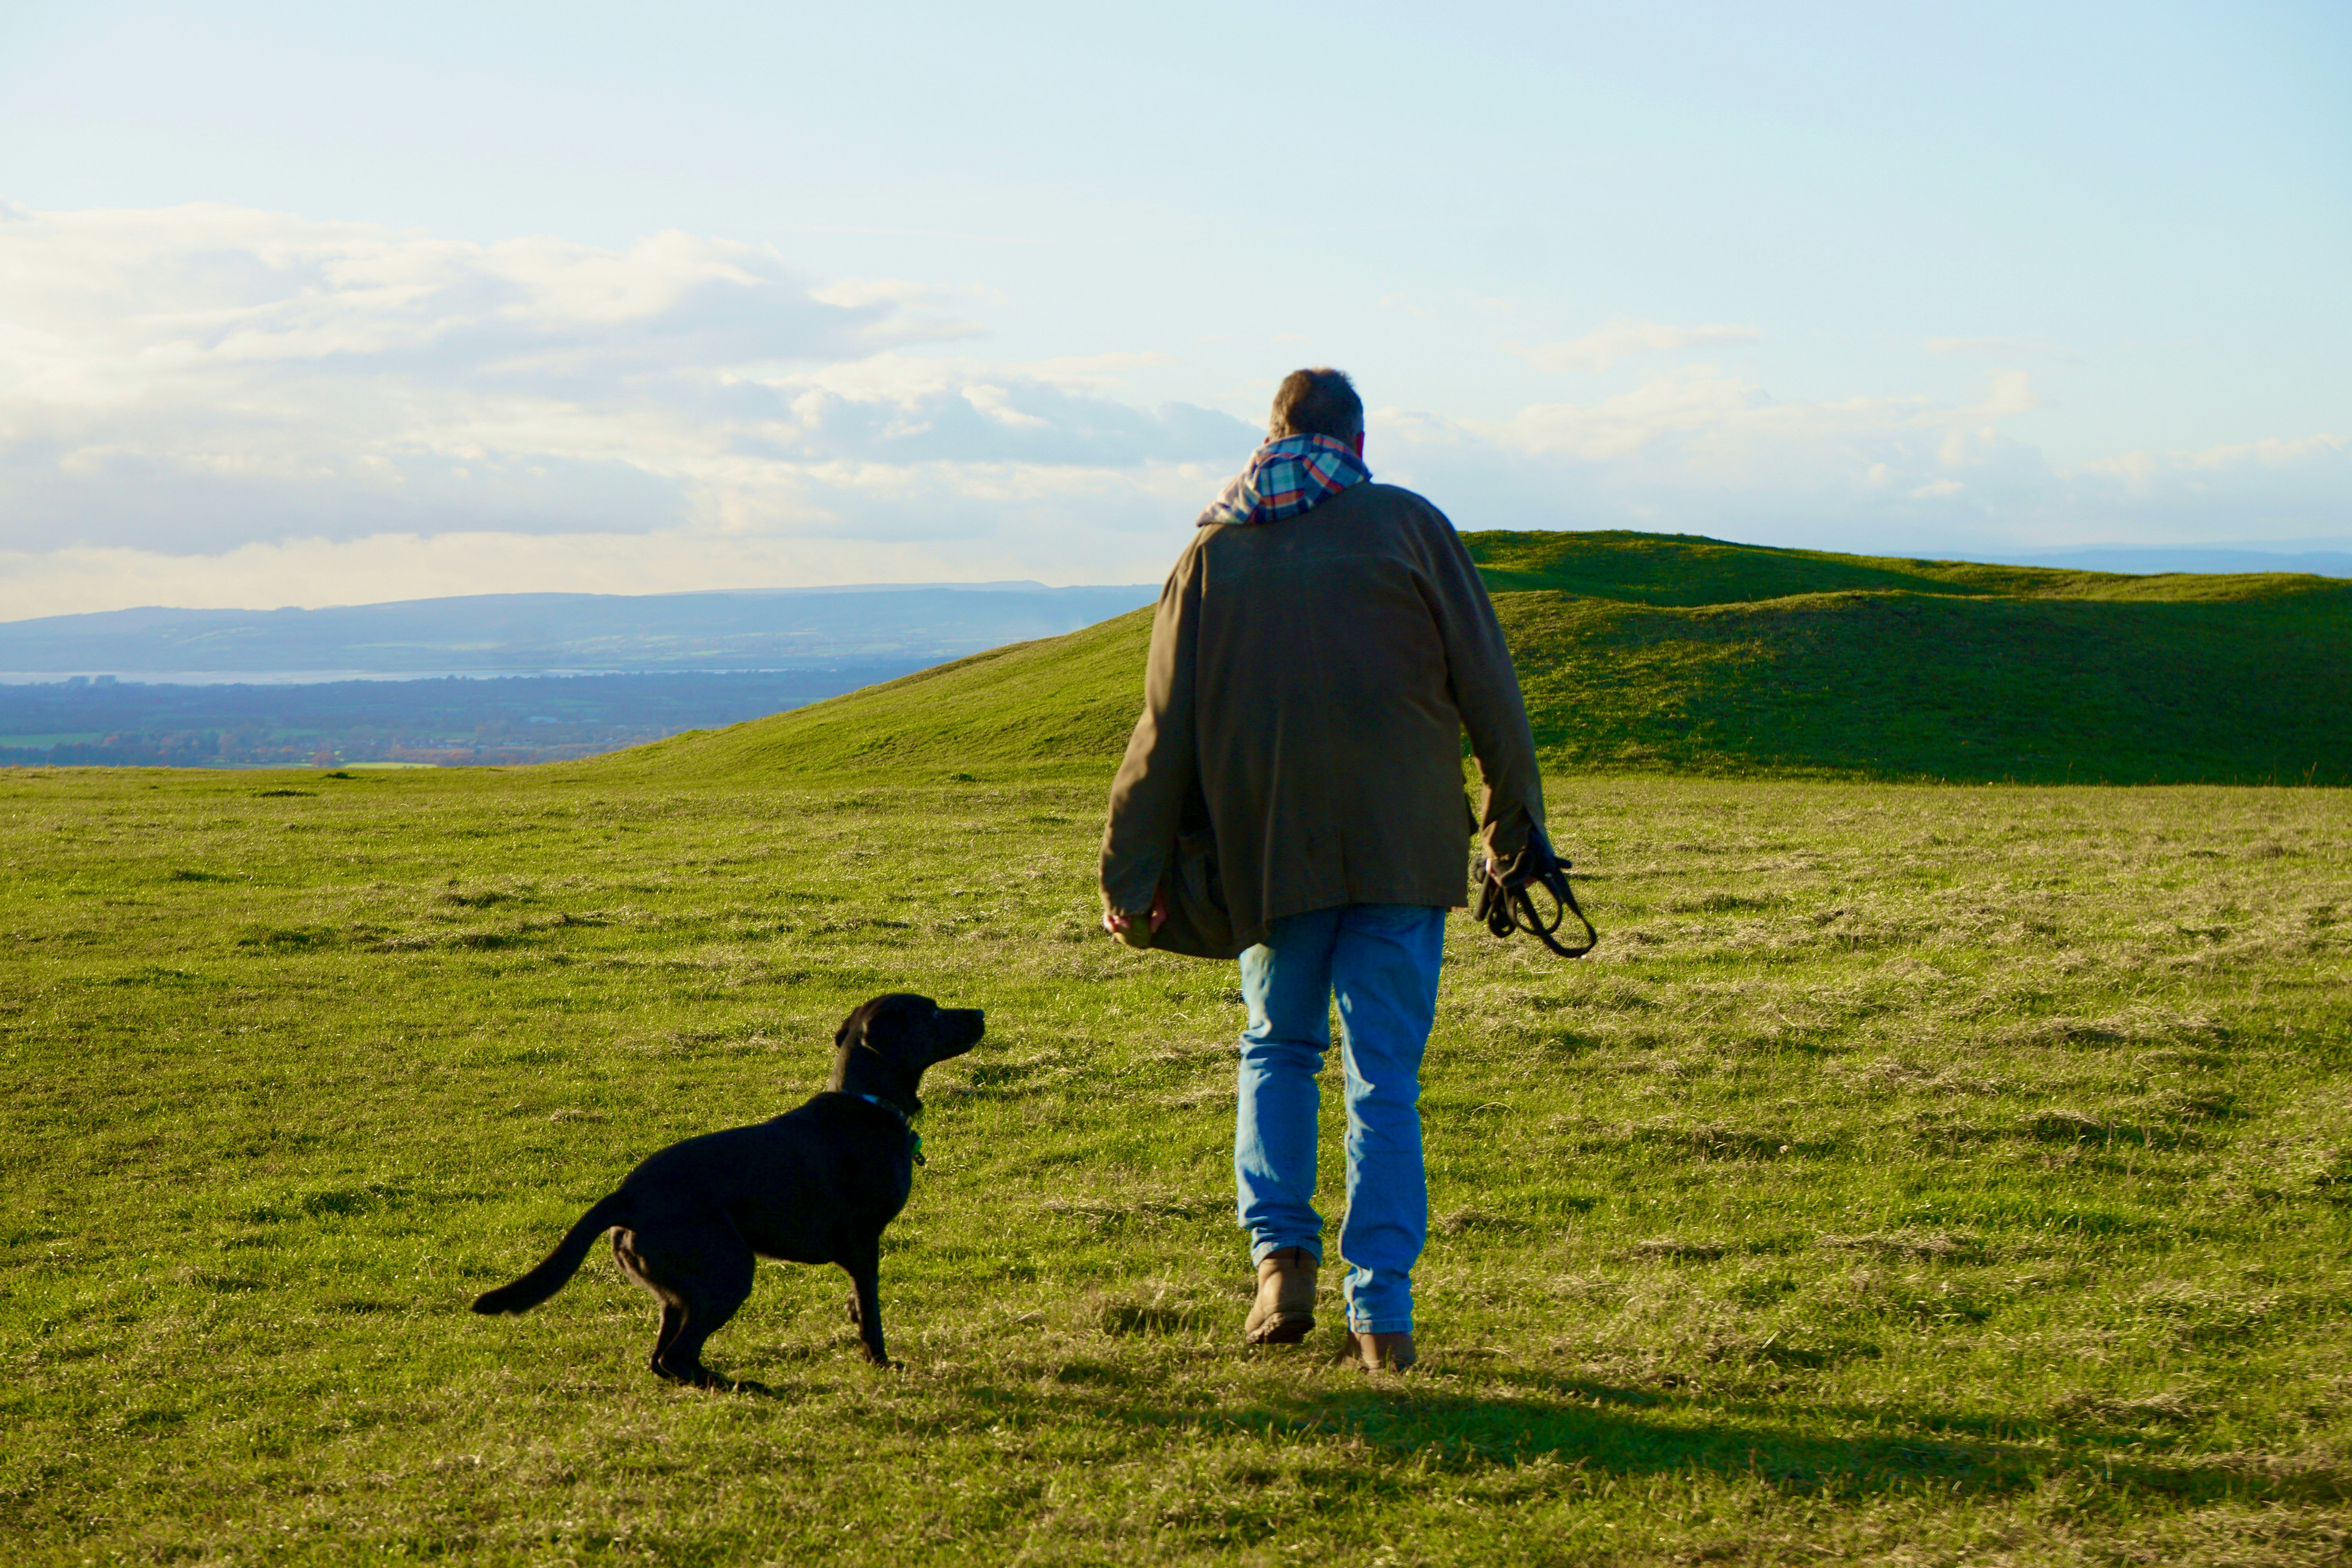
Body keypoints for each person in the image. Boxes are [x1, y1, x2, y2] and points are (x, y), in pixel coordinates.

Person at [1098, 367, 1547, 1371]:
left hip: (1268, 855)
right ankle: (1382, 1316)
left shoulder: (1211, 553)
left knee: (1278, 1050)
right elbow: (1489, 682)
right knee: (1385, 1082)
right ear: (1357, 438)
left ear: (1274, 434)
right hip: (1403, 848)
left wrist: (1127, 873)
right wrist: (1512, 825)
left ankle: (1281, 1269)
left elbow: (1162, 729)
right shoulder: (1407, 525)